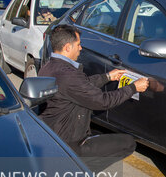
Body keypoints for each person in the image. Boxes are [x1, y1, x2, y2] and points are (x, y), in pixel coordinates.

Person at [38, 24, 149, 166]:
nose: (80, 48)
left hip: (53, 134)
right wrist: (133, 87)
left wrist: (107, 77)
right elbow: (103, 101)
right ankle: (79, 175)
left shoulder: (49, 67)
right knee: (128, 143)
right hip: (69, 144)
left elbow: (81, 85)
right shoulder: (68, 74)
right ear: (67, 47)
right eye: (78, 44)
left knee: (100, 136)